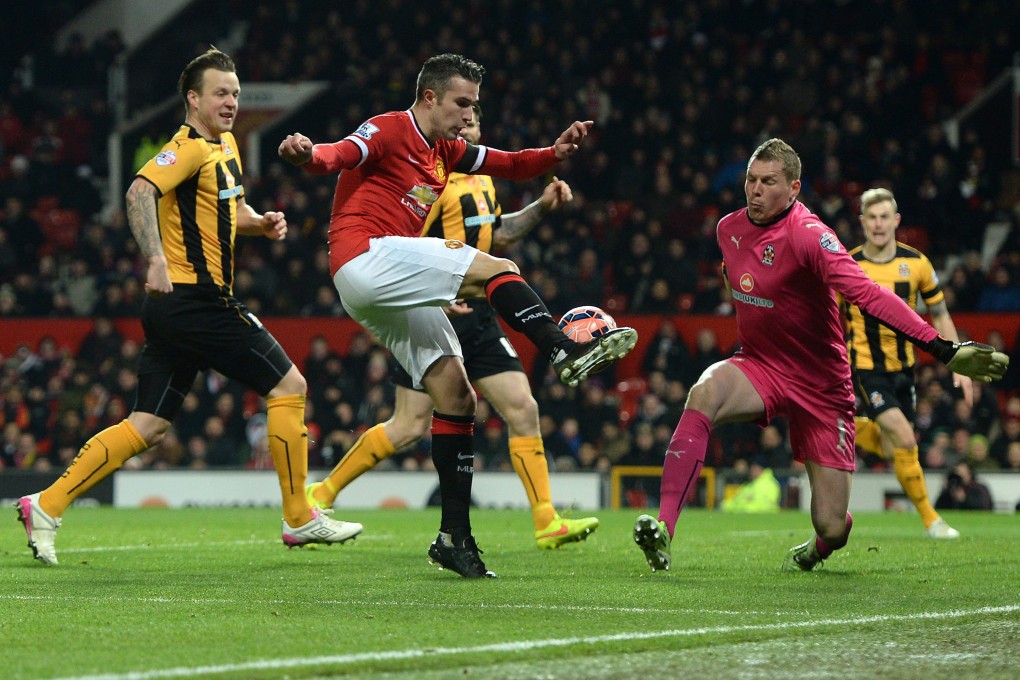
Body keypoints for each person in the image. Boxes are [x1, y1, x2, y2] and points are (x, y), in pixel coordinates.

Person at [278, 54, 637, 578]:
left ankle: (453, 538)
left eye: (474, 104)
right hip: (364, 256)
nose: (470, 114)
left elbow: (511, 163)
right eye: (462, 103)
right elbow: (338, 155)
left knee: (456, 397)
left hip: (386, 283)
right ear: (430, 97)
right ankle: (561, 347)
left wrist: (554, 153)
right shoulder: (389, 128)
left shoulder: (447, 152)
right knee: (500, 268)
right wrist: (307, 154)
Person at [15, 48, 362, 566]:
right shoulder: (187, 148)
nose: (231, 102)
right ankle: (298, 515)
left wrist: (260, 223)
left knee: (148, 425)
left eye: (236, 93)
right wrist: (155, 258)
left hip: (178, 309)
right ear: (193, 99)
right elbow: (138, 193)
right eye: (221, 93)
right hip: (196, 300)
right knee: (289, 386)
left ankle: (45, 504)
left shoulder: (226, 146)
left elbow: (231, 210)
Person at [631, 138, 1008, 574]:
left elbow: (869, 296)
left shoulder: (811, 236)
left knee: (831, 525)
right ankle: (664, 530)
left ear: (793, 188)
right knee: (704, 392)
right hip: (760, 365)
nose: (755, 190)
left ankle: (817, 548)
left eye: (768, 182)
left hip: (822, 384)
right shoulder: (727, 229)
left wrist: (943, 348)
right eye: (751, 180)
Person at [304, 104, 599, 549]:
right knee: (408, 425)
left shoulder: (480, 180)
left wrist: (541, 207)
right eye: (462, 115)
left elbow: (497, 235)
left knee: (523, 408)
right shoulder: (433, 180)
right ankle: (322, 493)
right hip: (438, 301)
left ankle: (545, 520)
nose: (466, 125)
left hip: (481, 308)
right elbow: (406, 245)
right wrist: (436, 296)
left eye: (473, 119)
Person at [843, 188, 968, 539]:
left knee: (890, 446)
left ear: (896, 221)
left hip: (904, 369)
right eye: (872, 217)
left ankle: (846, 428)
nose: (878, 224)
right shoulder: (847, 265)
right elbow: (827, 317)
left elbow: (939, 313)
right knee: (905, 438)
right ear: (862, 222)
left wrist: (958, 360)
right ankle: (932, 521)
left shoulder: (917, 264)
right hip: (866, 367)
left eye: (884, 217)